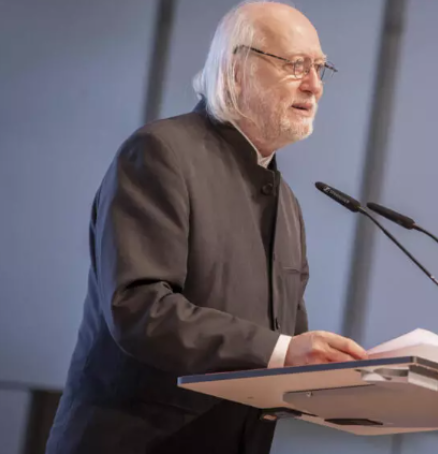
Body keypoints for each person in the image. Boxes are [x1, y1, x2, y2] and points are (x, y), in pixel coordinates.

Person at [45, 2, 367, 453]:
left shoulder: (287, 204)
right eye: (296, 65)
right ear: (236, 70)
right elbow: (138, 308)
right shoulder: (161, 153)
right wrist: (282, 353)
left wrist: (344, 378)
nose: (314, 84)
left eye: (320, 68)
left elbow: (286, 344)